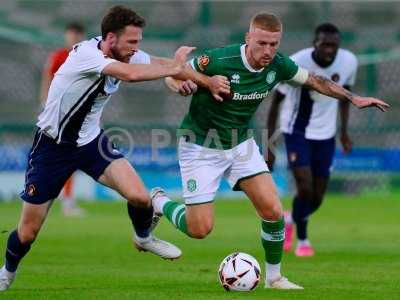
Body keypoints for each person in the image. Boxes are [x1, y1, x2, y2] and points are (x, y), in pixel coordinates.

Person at [0, 5, 229, 291]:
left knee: (140, 197)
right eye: (131, 42)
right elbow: (131, 75)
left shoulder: (125, 52)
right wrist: (175, 68)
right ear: (110, 38)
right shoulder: (88, 54)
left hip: (91, 142)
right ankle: (7, 272)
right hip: (52, 148)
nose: (136, 48)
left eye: (138, 42)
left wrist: (202, 80)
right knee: (28, 231)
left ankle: (143, 237)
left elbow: (156, 62)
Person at [156, 13, 389, 289]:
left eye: (273, 44)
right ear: (248, 38)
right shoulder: (220, 60)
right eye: (262, 43)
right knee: (199, 229)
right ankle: (158, 201)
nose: (267, 51)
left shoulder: (278, 65)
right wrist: (180, 85)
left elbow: (315, 80)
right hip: (200, 147)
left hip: (240, 143)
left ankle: (274, 278)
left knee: (273, 210)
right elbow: (174, 73)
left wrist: (353, 97)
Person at [266, 23, 357, 257]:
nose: (329, 50)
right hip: (296, 131)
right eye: (324, 44)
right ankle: (303, 241)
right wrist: (270, 146)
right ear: (314, 43)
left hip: (326, 135)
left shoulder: (348, 62)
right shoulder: (297, 62)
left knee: (317, 197)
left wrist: (344, 132)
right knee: (305, 189)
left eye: (333, 45)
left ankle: (290, 218)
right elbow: (275, 103)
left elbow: (345, 98)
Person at [40, 22, 86, 217]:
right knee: (59, 157)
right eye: (71, 33)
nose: (74, 37)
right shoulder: (59, 56)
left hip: (78, 114)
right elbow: (47, 79)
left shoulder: (87, 56)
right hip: (58, 114)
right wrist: (44, 103)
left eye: (77, 34)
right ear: (67, 35)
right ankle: (58, 200)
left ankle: (64, 200)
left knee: (68, 158)